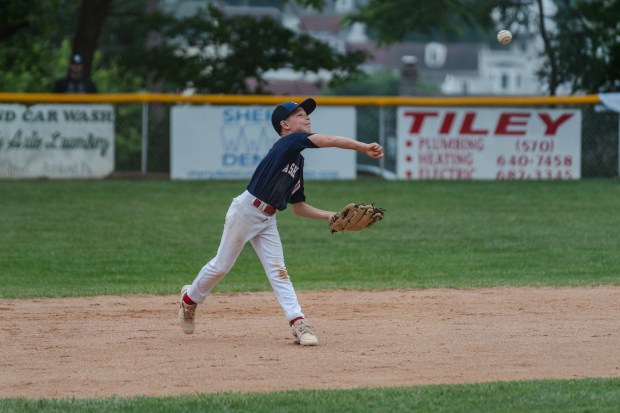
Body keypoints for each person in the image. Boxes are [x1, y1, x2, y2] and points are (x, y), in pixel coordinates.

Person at [178, 98, 384, 346]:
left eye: (306, 114)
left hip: (267, 218)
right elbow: (327, 140)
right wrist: (362, 147)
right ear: (285, 125)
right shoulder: (288, 142)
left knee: (279, 272)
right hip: (245, 211)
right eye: (299, 114)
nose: (306, 117)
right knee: (222, 266)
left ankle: (299, 323)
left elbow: (299, 207)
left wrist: (329, 215)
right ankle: (189, 299)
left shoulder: (297, 161)